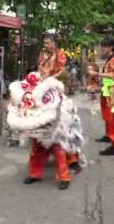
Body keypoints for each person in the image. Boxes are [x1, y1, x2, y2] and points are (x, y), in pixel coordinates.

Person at [36, 35, 82, 172]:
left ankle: (73, 158)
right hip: (44, 92)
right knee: (43, 125)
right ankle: (41, 161)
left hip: (57, 91)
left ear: (54, 44)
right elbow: (40, 69)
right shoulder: (42, 54)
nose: (46, 45)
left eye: (48, 43)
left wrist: (50, 79)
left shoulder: (60, 54)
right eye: (44, 42)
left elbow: (62, 72)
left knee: (65, 125)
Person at [90, 37, 114, 152]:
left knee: (112, 116)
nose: (102, 48)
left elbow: (113, 75)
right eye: (102, 46)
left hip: (112, 91)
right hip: (107, 90)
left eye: (105, 46)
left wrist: (97, 73)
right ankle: (108, 135)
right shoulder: (110, 59)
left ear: (111, 47)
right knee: (107, 115)